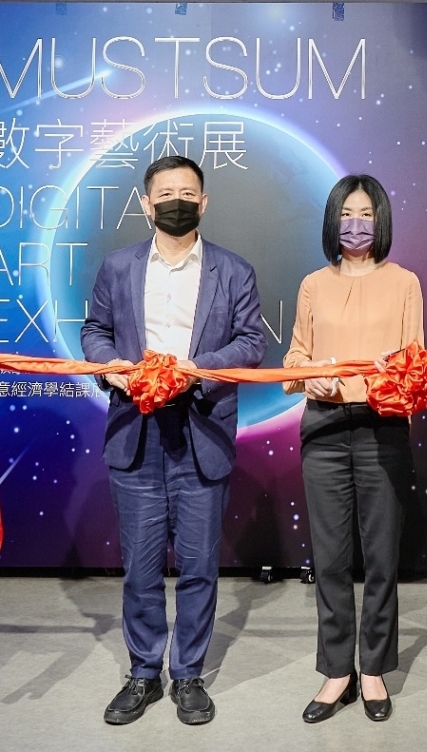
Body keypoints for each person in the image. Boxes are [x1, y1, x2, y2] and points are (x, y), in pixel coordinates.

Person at [81, 155, 267, 725]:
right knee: (139, 569)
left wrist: (195, 370)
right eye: (165, 194)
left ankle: (188, 674)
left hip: (201, 429)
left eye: (187, 193)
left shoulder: (233, 270)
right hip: (135, 431)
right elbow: (95, 331)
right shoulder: (119, 266)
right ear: (146, 204)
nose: (176, 202)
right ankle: (143, 673)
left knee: (198, 566)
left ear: (203, 203)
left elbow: (251, 342)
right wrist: (110, 366)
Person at [283, 175, 422, 724]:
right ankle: (337, 670)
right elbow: (293, 359)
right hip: (322, 427)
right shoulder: (313, 284)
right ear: (331, 221)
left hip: (382, 428)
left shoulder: (405, 282)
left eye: (365, 213)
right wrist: (308, 375)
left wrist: (395, 375)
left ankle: (374, 670)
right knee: (331, 558)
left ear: (381, 220)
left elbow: (418, 364)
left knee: (382, 557)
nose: (356, 223)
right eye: (346, 213)